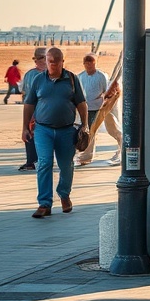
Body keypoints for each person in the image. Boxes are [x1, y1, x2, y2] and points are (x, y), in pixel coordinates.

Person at [22, 47, 88, 218]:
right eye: (50, 62)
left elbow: (81, 103)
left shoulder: (72, 79)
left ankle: (64, 195)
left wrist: (85, 125)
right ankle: (44, 203)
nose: (53, 66)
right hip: (43, 129)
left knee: (66, 165)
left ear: (62, 62)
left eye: (57, 63)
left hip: (66, 130)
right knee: (44, 163)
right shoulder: (38, 80)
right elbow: (29, 104)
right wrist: (24, 127)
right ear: (46, 61)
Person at [74, 53, 122, 167]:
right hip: (87, 108)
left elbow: (108, 91)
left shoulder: (101, 76)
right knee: (89, 131)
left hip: (103, 108)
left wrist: (103, 101)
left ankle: (123, 147)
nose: (89, 66)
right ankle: (85, 157)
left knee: (113, 128)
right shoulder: (80, 76)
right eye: (86, 63)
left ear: (95, 63)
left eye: (91, 63)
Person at [16, 48, 47, 171]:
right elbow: (25, 93)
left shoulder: (54, 74)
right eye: (36, 58)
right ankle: (31, 161)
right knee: (29, 135)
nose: (38, 61)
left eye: (40, 58)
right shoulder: (30, 74)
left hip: (49, 112)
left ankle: (44, 161)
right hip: (33, 112)